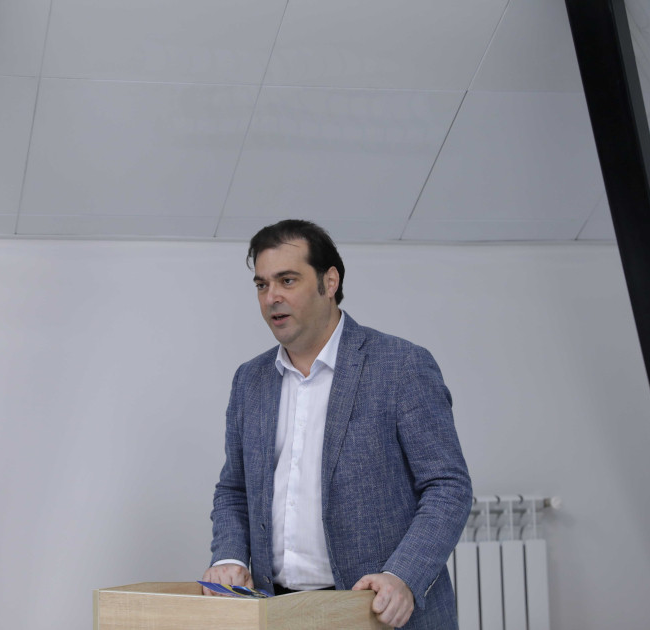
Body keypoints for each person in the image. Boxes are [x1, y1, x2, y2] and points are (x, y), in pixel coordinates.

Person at [202, 219, 472, 629]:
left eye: (287, 280)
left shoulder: (401, 365)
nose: (272, 297)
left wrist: (402, 576)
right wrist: (229, 556)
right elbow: (233, 489)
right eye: (261, 285)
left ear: (329, 282)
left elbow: (448, 487)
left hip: (379, 612)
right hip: (277, 611)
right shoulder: (249, 380)